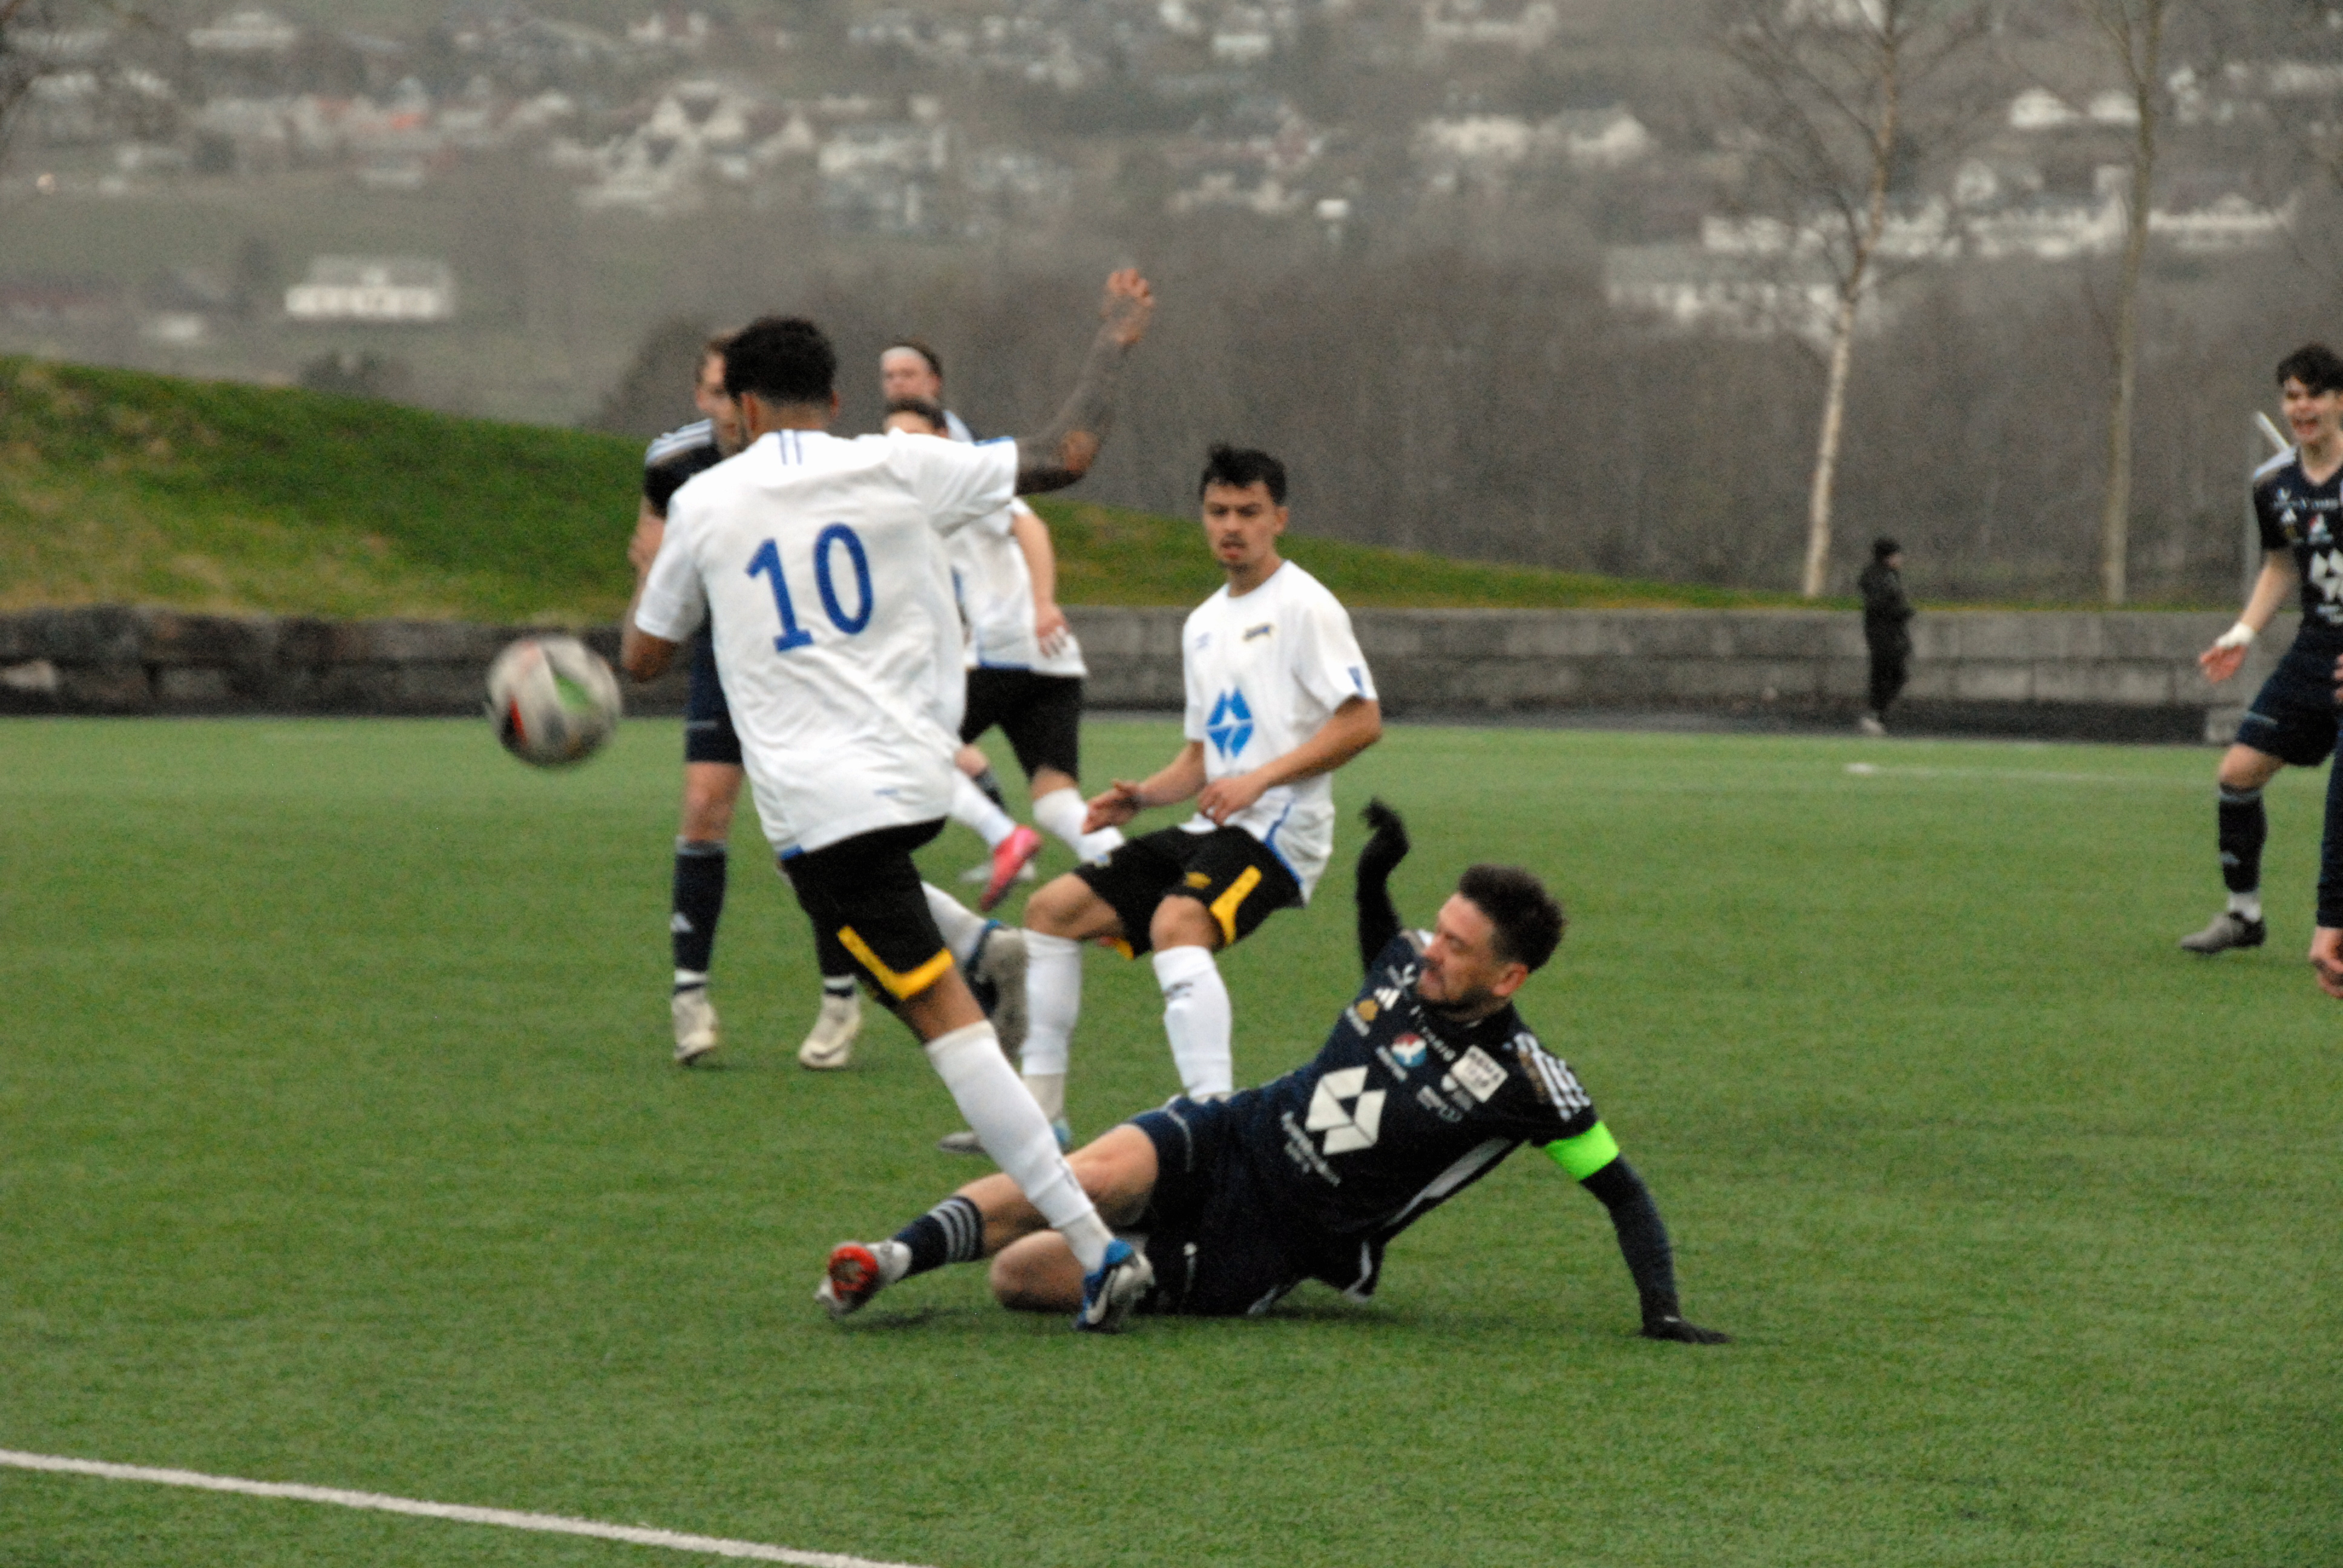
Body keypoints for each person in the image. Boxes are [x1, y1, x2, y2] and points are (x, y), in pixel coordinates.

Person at [622, 270, 1161, 1330]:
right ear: (832, 400)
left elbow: (642, 656)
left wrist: (650, 568)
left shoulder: (703, 499)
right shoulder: (897, 459)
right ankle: (978, 944)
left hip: (822, 807)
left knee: (942, 1027)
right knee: (854, 901)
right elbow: (1066, 457)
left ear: (736, 406)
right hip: (926, 780)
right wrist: (1111, 345)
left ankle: (1098, 1250)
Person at [818, 800, 1729, 1342]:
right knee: (1089, 1175)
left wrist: (1662, 1310)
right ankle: (888, 1258)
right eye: (1437, 930)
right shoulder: (1413, 963)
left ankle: (1126, 1270)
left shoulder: (1529, 1084)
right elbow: (1385, 948)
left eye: (1457, 948)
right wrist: (1377, 876)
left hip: (1271, 1240)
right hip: (1236, 1131)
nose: (1431, 953)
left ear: (1510, 976)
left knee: (1019, 1280)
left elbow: (1622, 1191)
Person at [1008, 446, 1381, 1143]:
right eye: (1217, 512)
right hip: (1219, 826)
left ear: (1279, 519)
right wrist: (1143, 797)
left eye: (1247, 512)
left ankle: (1213, 1121)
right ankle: (1041, 1113)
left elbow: (1362, 720)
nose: (1230, 526)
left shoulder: (1305, 605)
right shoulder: (1203, 623)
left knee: (1176, 924)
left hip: (1282, 834)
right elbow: (1202, 755)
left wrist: (1261, 779)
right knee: (1050, 910)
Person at [628, 336, 865, 1068]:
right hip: (723, 658)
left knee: (813, 836)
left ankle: (839, 998)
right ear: (704, 399)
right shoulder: (676, 465)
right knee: (704, 808)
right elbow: (647, 553)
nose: (726, 410)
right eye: (713, 394)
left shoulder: (823, 462)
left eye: (735, 395)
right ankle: (689, 1000)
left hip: (807, 665)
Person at [882, 398, 1126, 900]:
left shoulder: (960, 478)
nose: (901, 447)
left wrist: (1042, 602)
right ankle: (1129, 886)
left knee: (911, 748)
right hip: (1053, 661)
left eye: (913, 435)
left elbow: (1029, 525)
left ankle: (1003, 836)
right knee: (1056, 803)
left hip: (1008, 649)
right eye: (892, 438)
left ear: (944, 439)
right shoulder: (913, 496)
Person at [2183, 344, 2343, 956]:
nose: (2299, 407)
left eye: (2312, 395)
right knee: (2237, 773)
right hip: (2314, 647)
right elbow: (2281, 564)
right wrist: (2241, 633)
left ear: (2337, 402)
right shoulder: (2272, 483)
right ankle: (2242, 916)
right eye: (2291, 396)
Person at [1856, 537, 1912, 737]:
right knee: (1886, 675)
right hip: (1883, 635)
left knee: (1893, 675)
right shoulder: (1879, 577)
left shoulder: (1887, 576)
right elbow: (1881, 606)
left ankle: (1878, 713)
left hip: (1888, 634)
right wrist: (1901, 612)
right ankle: (1876, 714)